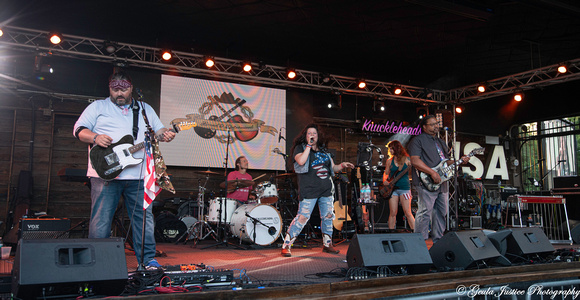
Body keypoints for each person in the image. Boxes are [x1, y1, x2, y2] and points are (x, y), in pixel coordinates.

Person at [73, 71, 176, 269]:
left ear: (131, 88)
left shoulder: (144, 109)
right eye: (115, 89)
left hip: (138, 175)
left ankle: (147, 262)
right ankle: (96, 264)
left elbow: (159, 130)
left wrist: (166, 134)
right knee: (101, 220)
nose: (119, 93)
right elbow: (79, 130)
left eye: (124, 89)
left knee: (144, 219)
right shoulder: (98, 106)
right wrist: (95, 137)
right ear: (109, 88)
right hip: (105, 174)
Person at [281, 123, 354, 257]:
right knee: (302, 217)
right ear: (305, 136)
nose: (312, 135)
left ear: (318, 136)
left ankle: (327, 244)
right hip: (309, 190)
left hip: (326, 189)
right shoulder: (300, 148)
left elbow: (334, 168)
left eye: (314, 133)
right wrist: (308, 146)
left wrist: (343, 165)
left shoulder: (325, 151)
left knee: (328, 216)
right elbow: (301, 161)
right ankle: (286, 245)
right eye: (309, 133)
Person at [407, 115, 469, 243]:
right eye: (433, 124)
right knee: (425, 212)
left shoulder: (441, 142)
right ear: (424, 126)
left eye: (437, 124)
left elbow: (445, 163)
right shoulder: (417, 141)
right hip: (426, 182)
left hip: (442, 182)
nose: (436, 126)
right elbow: (415, 161)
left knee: (442, 212)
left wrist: (460, 161)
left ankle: (438, 241)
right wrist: (432, 173)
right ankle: (420, 242)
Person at [382, 140, 414, 232]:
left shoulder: (407, 159)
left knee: (407, 212)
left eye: (391, 148)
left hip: (405, 188)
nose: (390, 150)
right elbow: (386, 173)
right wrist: (385, 180)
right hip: (393, 189)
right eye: (390, 149)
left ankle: (415, 232)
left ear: (396, 149)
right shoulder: (389, 161)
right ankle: (391, 232)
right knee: (392, 212)